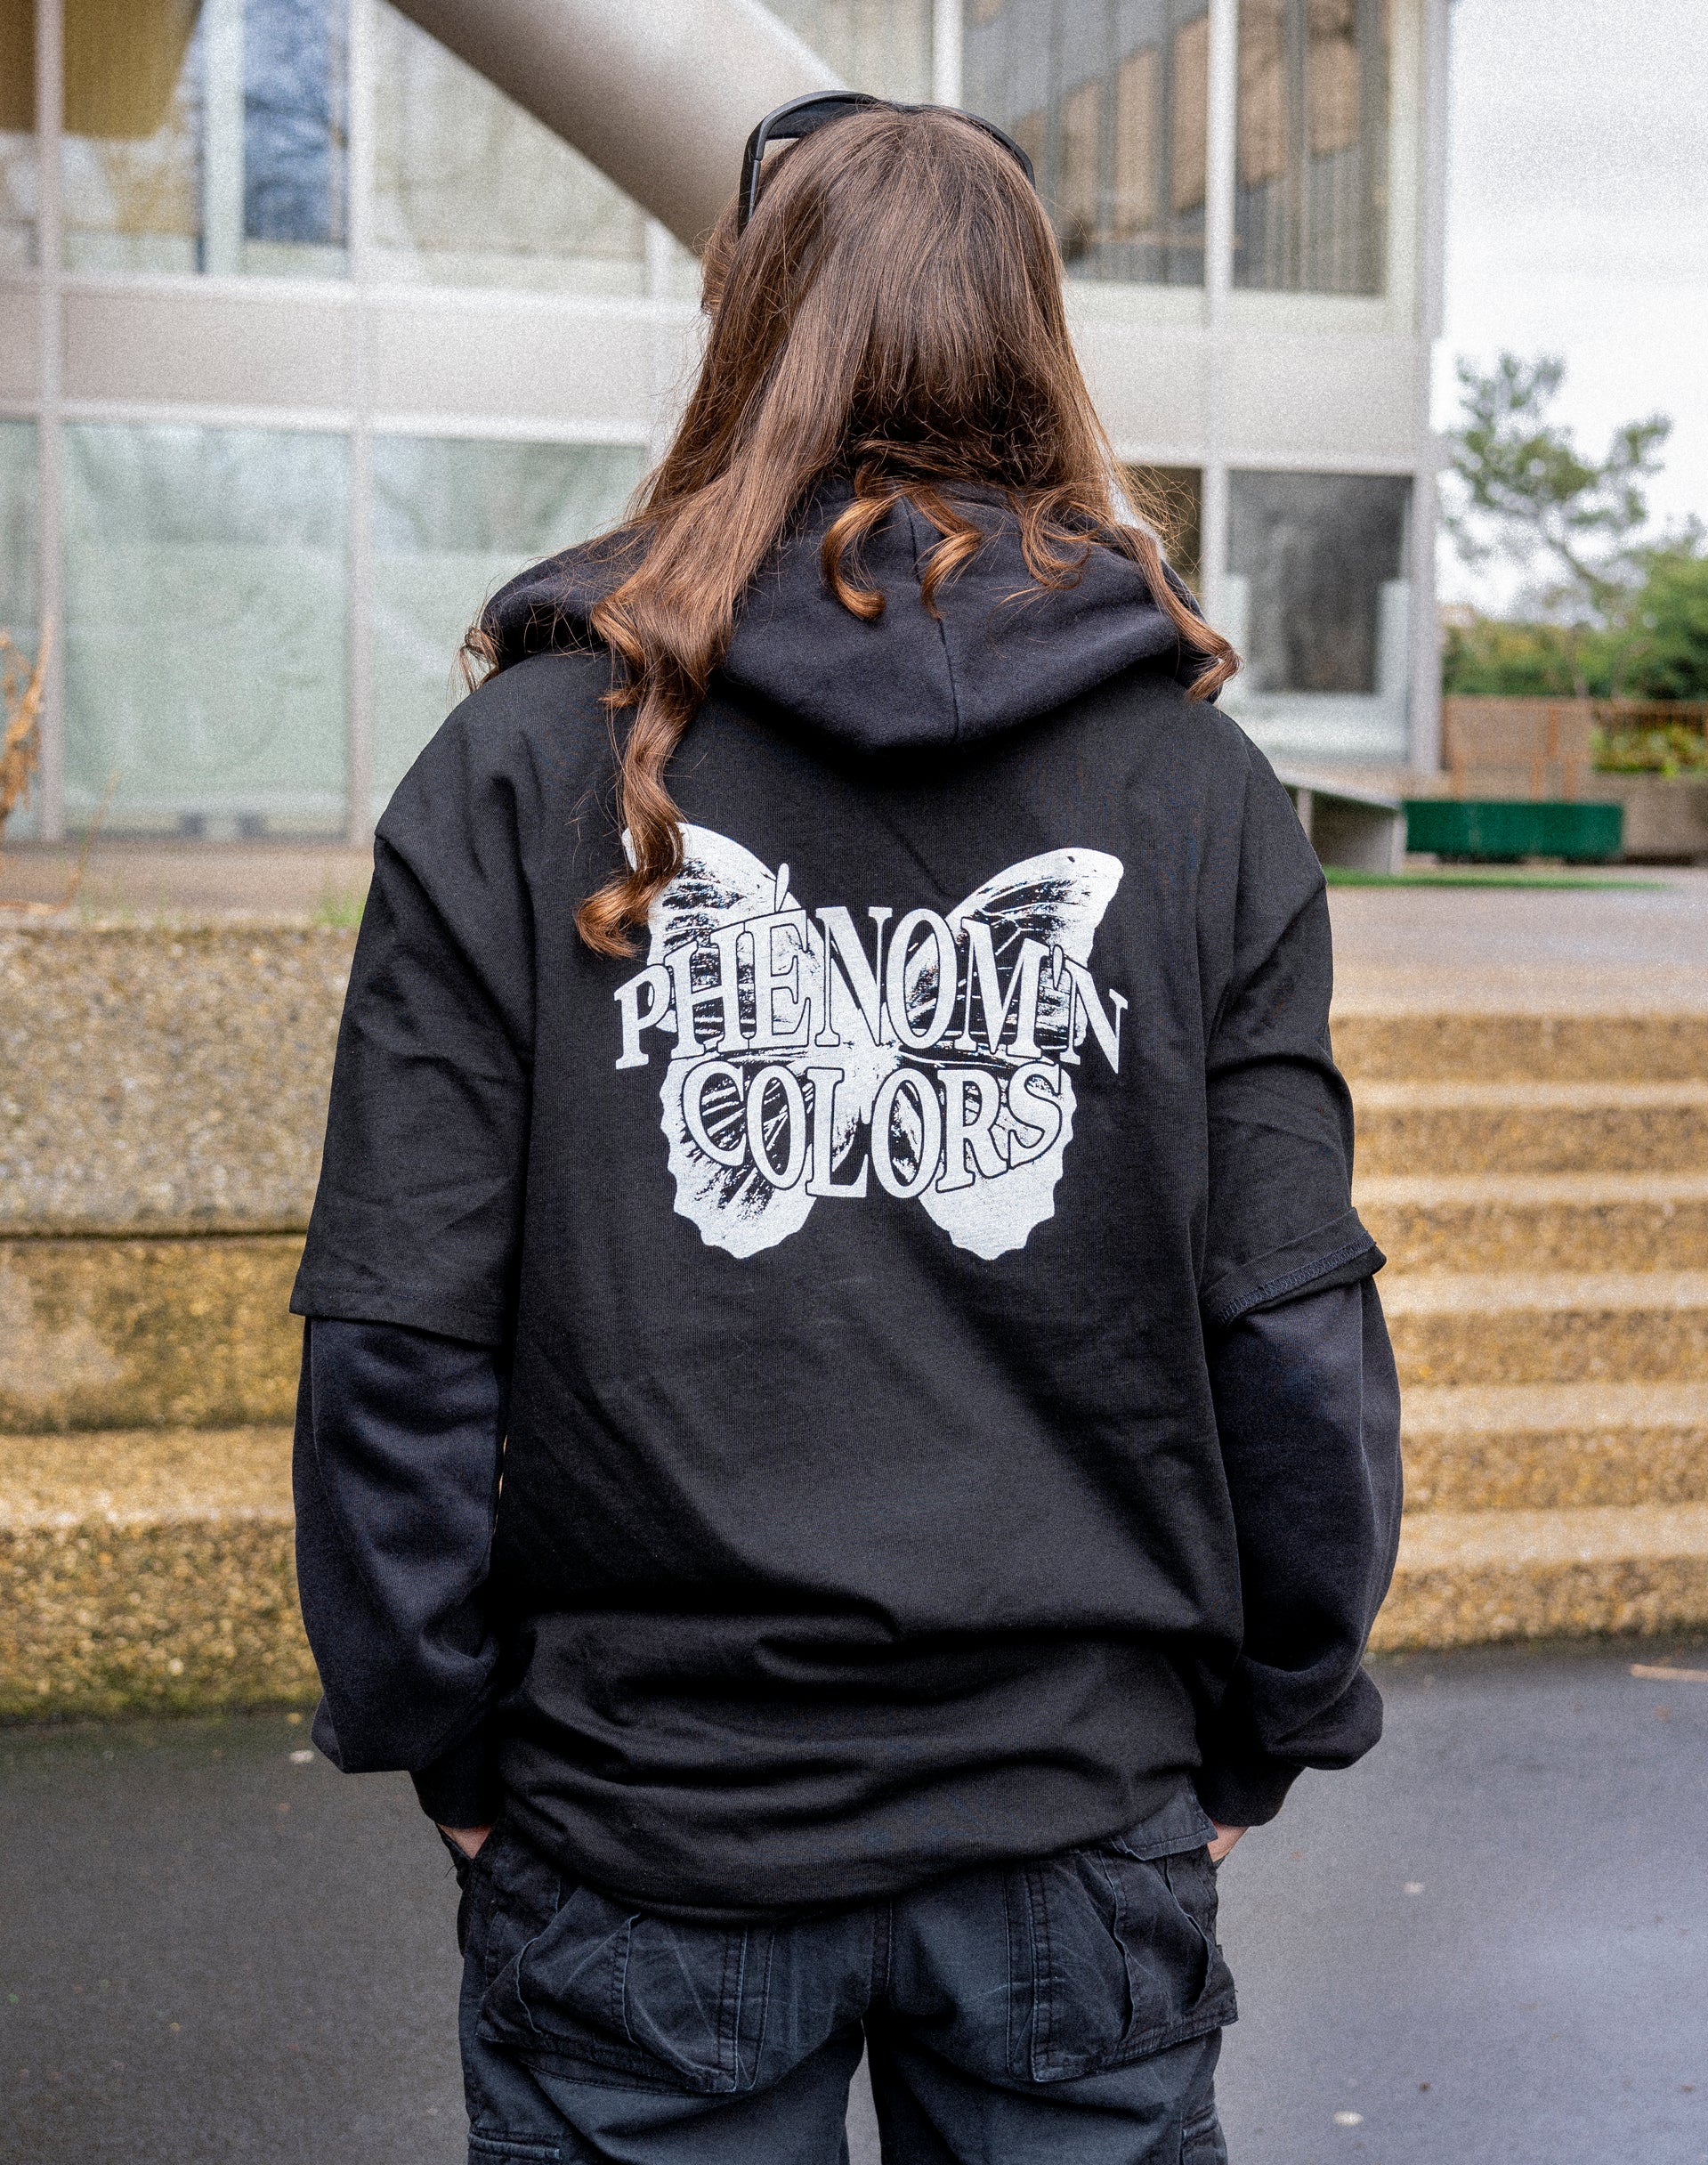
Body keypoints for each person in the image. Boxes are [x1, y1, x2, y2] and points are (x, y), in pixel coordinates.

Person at [291, 93, 1401, 2165]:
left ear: (743, 331)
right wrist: (1270, 1719)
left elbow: (399, 1323)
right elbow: (1290, 1325)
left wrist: (438, 1733)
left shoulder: (518, 764)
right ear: (1038, 341)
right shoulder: (1198, 791)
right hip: (1073, 1822)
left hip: (643, 1834)